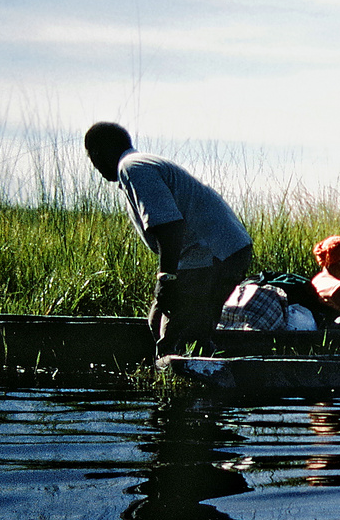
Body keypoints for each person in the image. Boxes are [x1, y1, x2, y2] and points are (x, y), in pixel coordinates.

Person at [84, 121, 254, 357]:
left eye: (93, 158)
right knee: (158, 321)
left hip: (215, 253)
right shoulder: (138, 166)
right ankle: (192, 363)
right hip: (207, 253)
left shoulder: (133, 168)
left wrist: (167, 277)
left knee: (179, 335)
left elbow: (170, 226)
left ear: (99, 152)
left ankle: (194, 376)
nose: (96, 167)